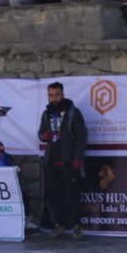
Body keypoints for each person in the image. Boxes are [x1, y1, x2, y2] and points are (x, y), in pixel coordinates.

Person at [38, 81, 87, 238]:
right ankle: (58, 225)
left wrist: (77, 158)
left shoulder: (73, 113)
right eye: (51, 95)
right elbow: (40, 132)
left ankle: (76, 226)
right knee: (54, 196)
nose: (54, 98)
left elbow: (82, 136)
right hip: (51, 162)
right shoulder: (47, 114)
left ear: (63, 95)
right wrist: (43, 136)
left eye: (57, 95)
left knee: (71, 195)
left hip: (68, 161)